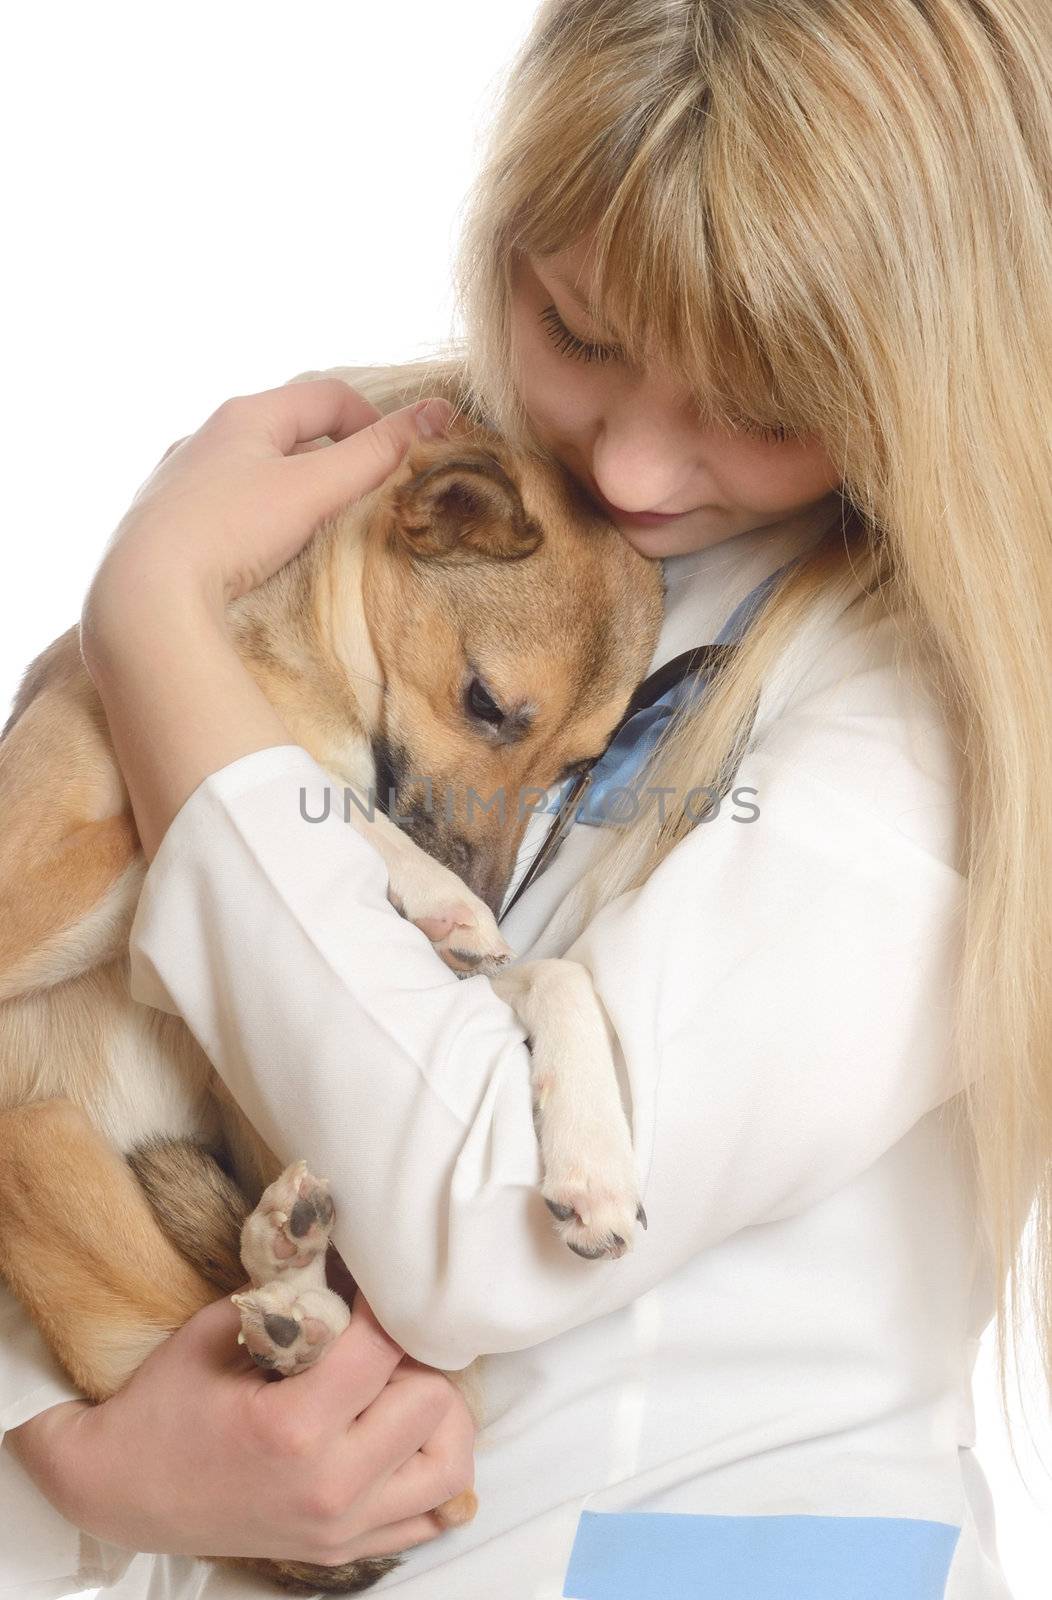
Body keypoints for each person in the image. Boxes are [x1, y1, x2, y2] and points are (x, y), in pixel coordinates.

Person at [4, 0, 1051, 1595]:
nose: (632, 469)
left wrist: (150, 616)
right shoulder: (379, 503)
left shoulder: (929, 719)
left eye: (764, 407)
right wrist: (70, 1456)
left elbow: (481, 1222)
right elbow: (59, 1064)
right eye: (580, 331)